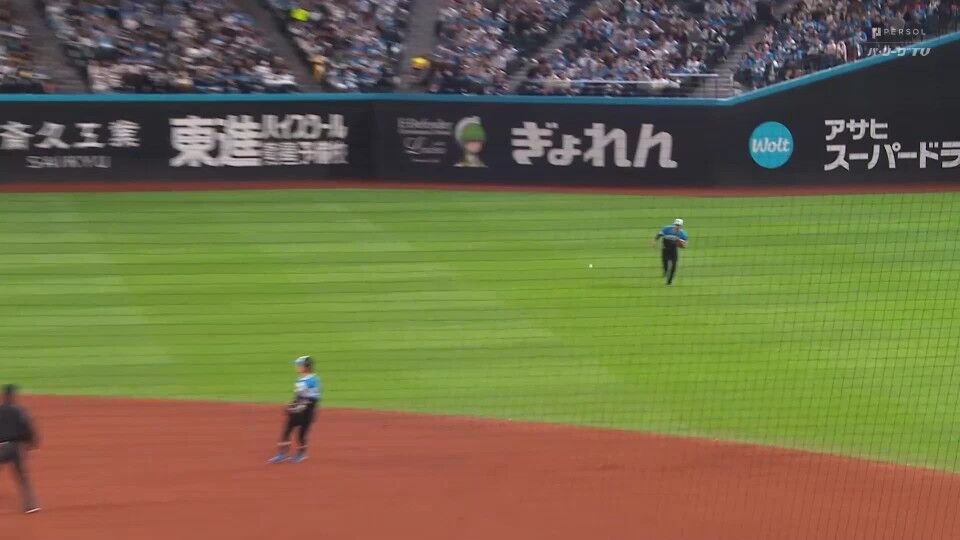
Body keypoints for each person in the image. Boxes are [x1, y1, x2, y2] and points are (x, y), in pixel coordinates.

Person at [268, 356, 321, 464]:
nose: (297, 367)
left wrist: (294, 405)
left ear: (306, 367)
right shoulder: (304, 378)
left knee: (301, 434)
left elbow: (312, 399)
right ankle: (282, 453)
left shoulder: (309, 381)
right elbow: (299, 397)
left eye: (299, 365)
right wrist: (292, 404)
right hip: (299, 408)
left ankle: (301, 453)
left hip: (307, 411)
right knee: (287, 430)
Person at [0, 385, 40, 514]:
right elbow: (28, 428)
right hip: (16, 448)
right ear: (13, 396)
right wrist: (31, 443)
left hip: (2, 447)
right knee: (22, 477)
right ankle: (31, 505)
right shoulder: (20, 411)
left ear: (4, 396)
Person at [653, 218, 689, 286]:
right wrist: (655, 241)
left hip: (673, 251)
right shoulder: (666, 229)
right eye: (676, 225)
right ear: (674, 224)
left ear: (681, 226)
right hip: (665, 250)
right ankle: (666, 272)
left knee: (674, 266)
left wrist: (681, 244)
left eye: (679, 225)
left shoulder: (683, 234)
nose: (677, 226)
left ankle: (669, 282)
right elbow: (659, 234)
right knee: (665, 266)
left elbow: (684, 245)